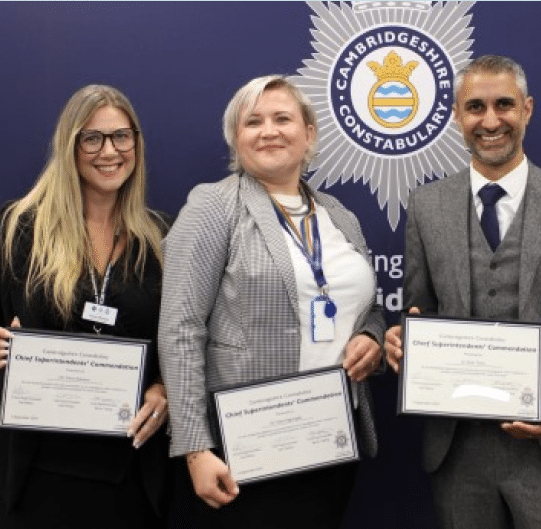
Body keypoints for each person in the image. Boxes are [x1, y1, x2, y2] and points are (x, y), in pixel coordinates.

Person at [384, 55, 541, 528]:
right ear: (457, 115)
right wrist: (405, 341)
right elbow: (421, 313)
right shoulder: (425, 206)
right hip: (458, 459)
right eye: (475, 107)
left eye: (505, 105)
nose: (491, 120)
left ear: (528, 110)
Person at [159, 74, 385, 529]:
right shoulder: (213, 207)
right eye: (253, 122)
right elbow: (180, 328)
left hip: (331, 435)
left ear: (309, 134)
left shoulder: (339, 214)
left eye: (283, 118)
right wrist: (195, 449)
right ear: (235, 138)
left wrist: (371, 336)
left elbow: (369, 308)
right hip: (247, 445)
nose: (269, 131)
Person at [0, 84, 171, 528]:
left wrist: (165, 387)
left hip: (128, 463)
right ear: (70, 144)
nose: (109, 151)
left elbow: (180, 336)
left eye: (121, 136)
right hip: (37, 463)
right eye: (92, 138)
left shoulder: (160, 237)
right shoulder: (20, 225)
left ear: (136, 143)